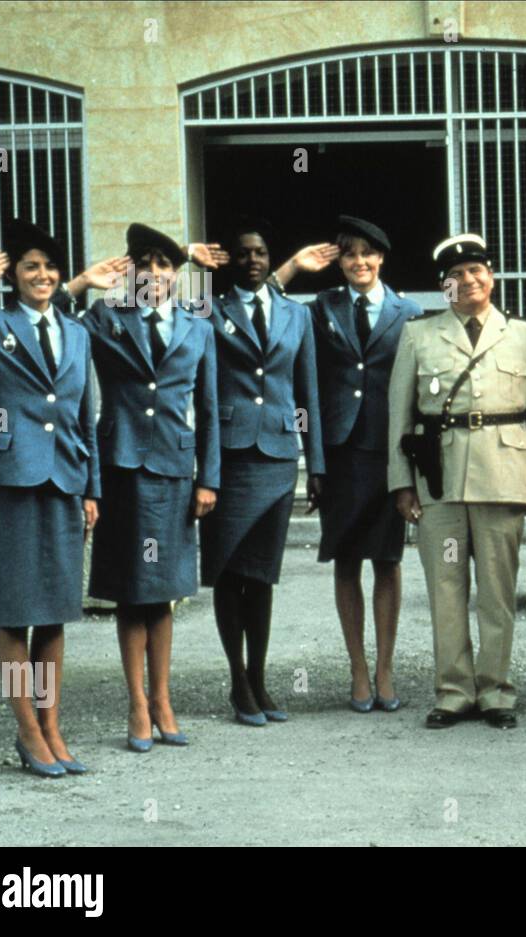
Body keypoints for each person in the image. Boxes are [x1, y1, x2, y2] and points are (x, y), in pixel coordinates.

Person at [59, 224, 220, 752]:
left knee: (165, 591)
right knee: (132, 590)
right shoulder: (106, 319)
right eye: (144, 264)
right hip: (122, 466)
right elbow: (56, 320)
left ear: (178, 275)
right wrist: (84, 280)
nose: (155, 273)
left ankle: (164, 700)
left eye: (165, 264)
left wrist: (208, 477)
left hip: (174, 470)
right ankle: (136, 704)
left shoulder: (197, 325)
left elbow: (211, 409)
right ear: (131, 271)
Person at [387, 233, 526, 730]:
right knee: (446, 587)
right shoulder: (420, 335)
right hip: (440, 482)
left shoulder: (523, 334)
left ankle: (497, 690)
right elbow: (399, 413)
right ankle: (454, 690)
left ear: (492, 277)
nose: (468, 281)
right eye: (456, 276)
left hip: (503, 475)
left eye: (476, 271)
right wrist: (401, 482)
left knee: (497, 591)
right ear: (444, 288)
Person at [0, 221, 99, 777]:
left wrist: (93, 489)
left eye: (50, 267)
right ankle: (28, 730)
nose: (42, 275)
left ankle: (53, 725)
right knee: (16, 614)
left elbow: (86, 416)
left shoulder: (76, 331)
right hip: (15, 481)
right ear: (12, 274)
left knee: (57, 614)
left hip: (65, 480)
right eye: (30, 266)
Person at [271, 216, 421, 713]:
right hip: (339, 452)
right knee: (346, 559)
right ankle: (357, 668)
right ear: (340, 260)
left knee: (388, 561)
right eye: (350, 253)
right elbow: (307, 385)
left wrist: (416, 466)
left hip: (389, 454)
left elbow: (418, 391)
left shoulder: (410, 312)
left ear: (382, 259)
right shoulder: (320, 309)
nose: (359, 262)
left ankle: (385, 669)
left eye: (368, 254)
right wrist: (313, 461)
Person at [202, 221, 324, 727]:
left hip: (277, 455)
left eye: (261, 253)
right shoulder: (208, 311)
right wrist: (205, 471)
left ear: (269, 260)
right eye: (243, 253)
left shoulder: (297, 316)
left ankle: (260, 677)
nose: (253, 260)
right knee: (230, 572)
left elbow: (307, 393)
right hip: (229, 457)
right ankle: (237, 681)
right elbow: (205, 397)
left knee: (262, 576)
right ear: (229, 260)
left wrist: (315, 465)